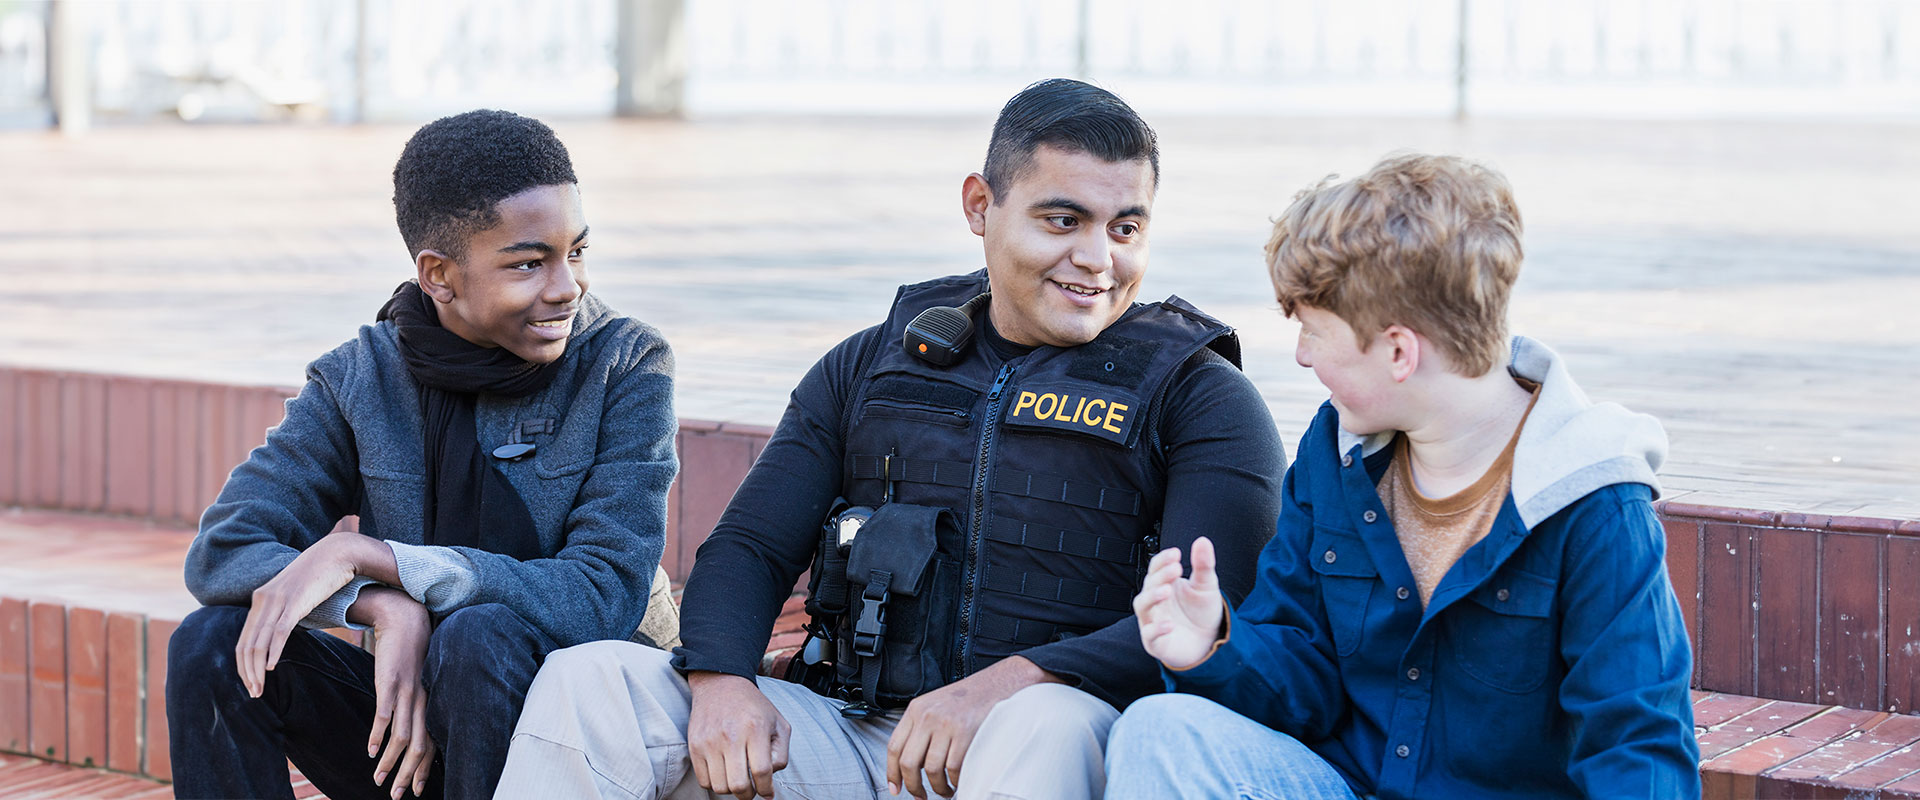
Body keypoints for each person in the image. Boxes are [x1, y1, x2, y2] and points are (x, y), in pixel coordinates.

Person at [495, 78, 1285, 800]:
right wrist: (722, 681)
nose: (1097, 258)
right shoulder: (873, 364)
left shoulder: (1202, 397)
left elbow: (1220, 614)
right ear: (980, 206)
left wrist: (1011, 683)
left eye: (1127, 226)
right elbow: (750, 549)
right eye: (1063, 219)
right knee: (590, 681)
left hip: (1050, 747)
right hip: (860, 732)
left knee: (1046, 720)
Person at [1108, 153, 1700, 799]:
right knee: (1159, 731)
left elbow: (1637, 749)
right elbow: (1302, 676)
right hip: (1344, 784)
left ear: (1398, 351)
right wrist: (1212, 646)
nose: (1302, 356)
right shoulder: (1332, 454)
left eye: (1312, 331)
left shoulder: (1595, 505)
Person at [165, 109, 681, 800]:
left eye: (577, 252)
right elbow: (224, 551)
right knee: (211, 644)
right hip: (408, 734)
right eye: (529, 263)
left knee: (477, 636)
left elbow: (604, 593)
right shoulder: (361, 378)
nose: (567, 286)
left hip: (578, 745)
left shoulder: (626, 363)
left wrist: (384, 559)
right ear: (439, 274)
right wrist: (380, 604)